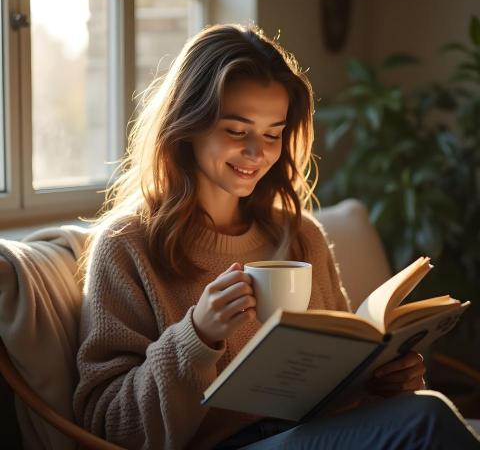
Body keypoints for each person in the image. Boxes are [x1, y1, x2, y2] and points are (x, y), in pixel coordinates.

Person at [73, 23, 480, 450]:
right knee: (427, 418)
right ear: (187, 124)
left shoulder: (301, 234)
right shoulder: (126, 246)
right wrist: (196, 336)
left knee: (422, 408)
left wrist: (384, 383)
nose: (258, 152)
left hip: (311, 436)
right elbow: (110, 425)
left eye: (272, 133)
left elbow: (339, 378)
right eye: (236, 130)